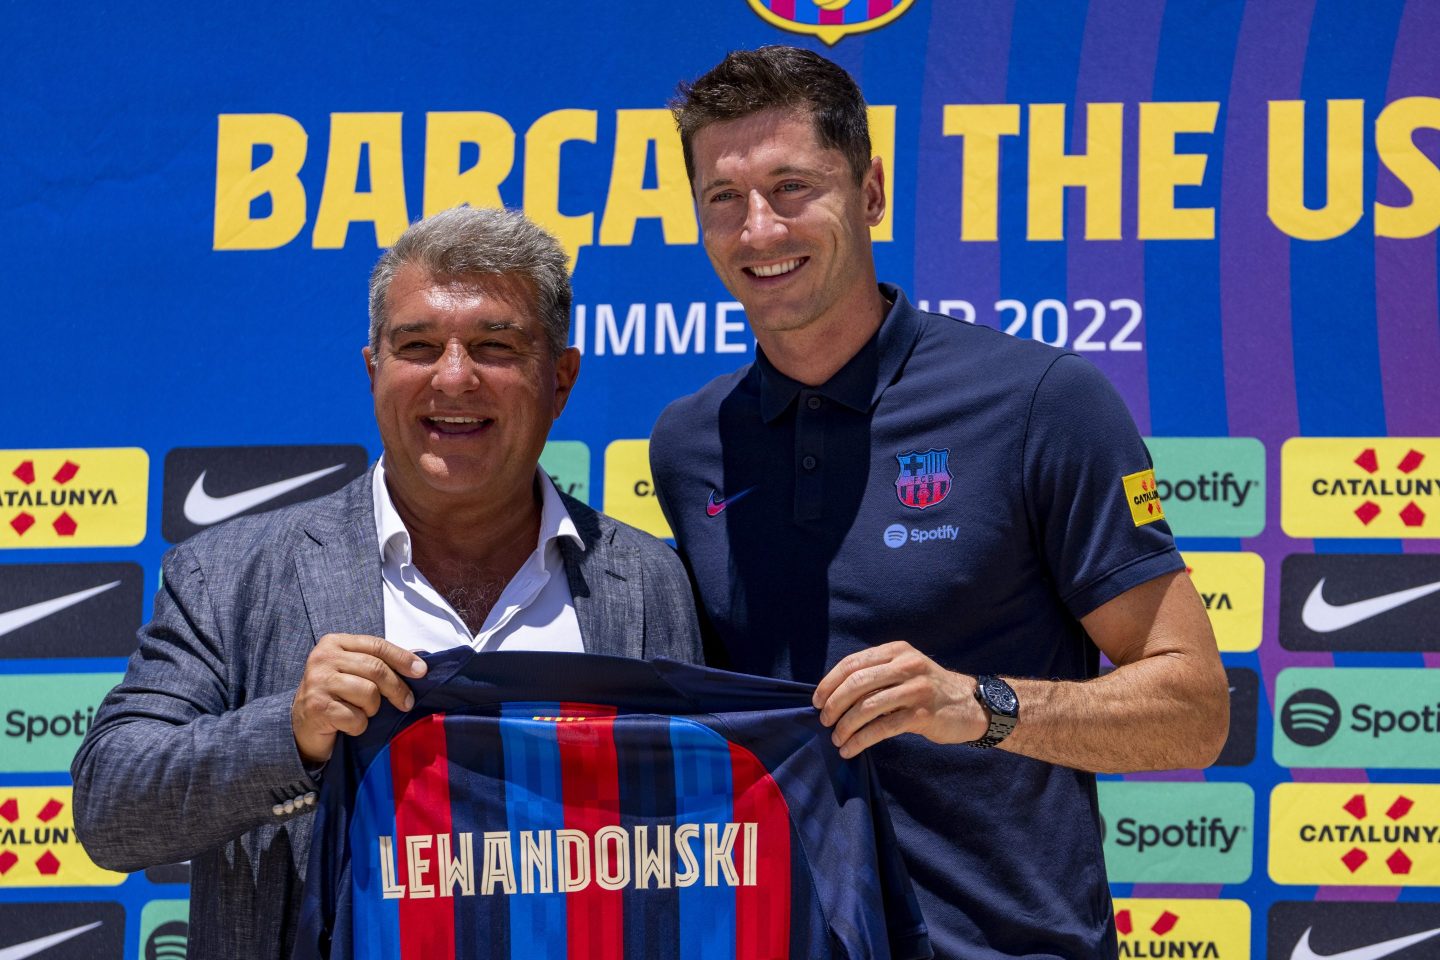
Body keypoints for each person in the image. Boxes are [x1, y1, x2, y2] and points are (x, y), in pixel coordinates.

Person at [650, 47, 1229, 959]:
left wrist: (977, 703)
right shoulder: (689, 444)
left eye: (792, 187)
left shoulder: (1041, 401)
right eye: (724, 197)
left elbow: (1194, 709)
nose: (758, 229)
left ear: (872, 192)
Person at [72, 206, 702, 960]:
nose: (455, 377)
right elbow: (109, 809)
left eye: (497, 346)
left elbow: (701, 834)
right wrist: (290, 735)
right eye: (419, 346)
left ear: (560, 379)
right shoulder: (229, 574)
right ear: (373, 370)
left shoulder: (649, 581)